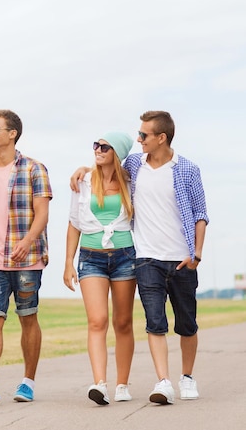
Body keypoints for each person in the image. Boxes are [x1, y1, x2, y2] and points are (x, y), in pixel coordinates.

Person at [70, 111, 209, 405]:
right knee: (154, 322)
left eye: (144, 135)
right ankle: (163, 381)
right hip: (145, 257)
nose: (139, 140)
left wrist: (196, 253)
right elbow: (106, 169)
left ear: (162, 138)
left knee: (186, 323)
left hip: (181, 257)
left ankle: (187, 376)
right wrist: (84, 167)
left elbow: (200, 214)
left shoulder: (187, 170)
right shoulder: (135, 165)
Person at [0, 109, 52, 404]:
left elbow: (42, 214)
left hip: (27, 259)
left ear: (12, 133)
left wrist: (27, 242)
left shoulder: (34, 169)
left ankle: (27, 382)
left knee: (28, 317)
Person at [63, 132, 136, 405]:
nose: (98, 149)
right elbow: (74, 223)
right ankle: (100, 383)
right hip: (90, 257)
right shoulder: (82, 181)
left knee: (123, 322)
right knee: (97, 321)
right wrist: (68, 262)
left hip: (124, 257)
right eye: (96, 144)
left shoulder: (131, 181)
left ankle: (122, 384)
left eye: (105, 146)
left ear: (117, 152)